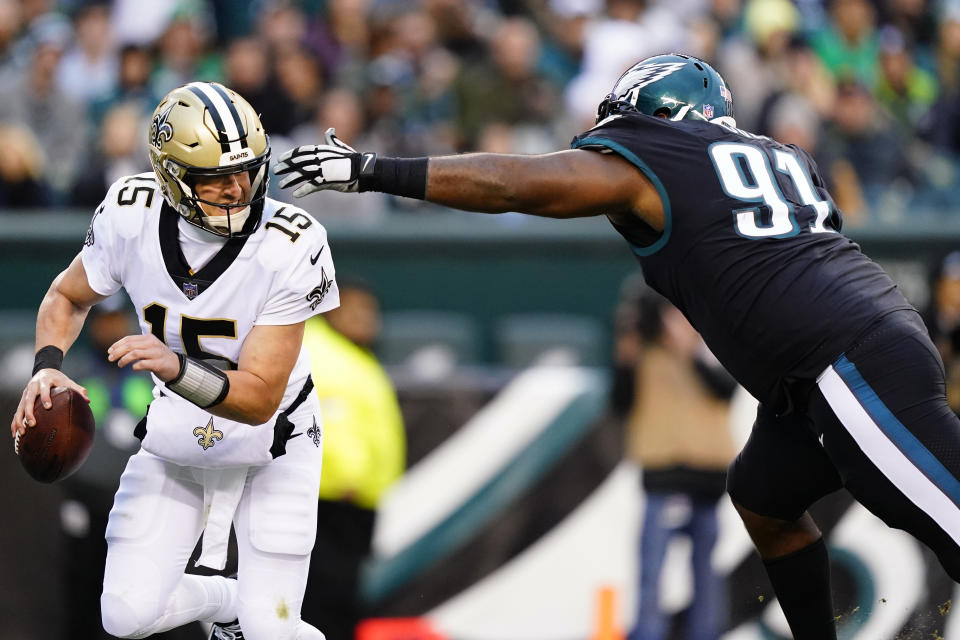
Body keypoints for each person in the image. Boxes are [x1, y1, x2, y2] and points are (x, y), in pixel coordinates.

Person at [274, 52, 960, 639]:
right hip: (817, 370)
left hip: (844, 360)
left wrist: (375, 169)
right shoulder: (783, 157)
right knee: (763, 496)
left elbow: (516, 184)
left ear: (659, 113)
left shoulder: (660, 154)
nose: (603, 141)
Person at [11, 81, 339, 640]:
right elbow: (66, 296)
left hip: (277, 436)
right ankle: (225, 597)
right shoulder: (129, 212)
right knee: (124, 616)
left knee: (271, 630)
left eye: (248, 171)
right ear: (171, 177)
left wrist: (174, 366)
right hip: (181, 425)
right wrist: (47, 363)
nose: (239, 189)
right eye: (217, 178)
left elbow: (259, 397)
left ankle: (254, 614)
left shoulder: (293, 241)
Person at [617, 286, 737, 640]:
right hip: (662, 474)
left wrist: (690, 348)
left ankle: (706, 634)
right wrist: (626, 354)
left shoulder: (710, 342)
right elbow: (619, 402)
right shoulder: (643, 353)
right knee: (651, 570)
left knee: (706, 569)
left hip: (707, 474)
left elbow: (725, 390)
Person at [300, 278, 406, 640]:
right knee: (324, 600)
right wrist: (347, 477)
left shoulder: (350, 354)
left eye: (370, 312)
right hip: (330, 500)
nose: (365, 319)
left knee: (340, 599)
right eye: (354, 309)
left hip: (350, 500)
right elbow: (329, 422)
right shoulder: (320, 352)